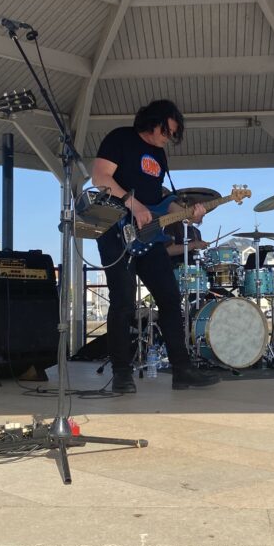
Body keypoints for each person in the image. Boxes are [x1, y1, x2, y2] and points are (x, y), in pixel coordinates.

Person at [92, 99, 220, 393]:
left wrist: (187, 213)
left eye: (173, 134)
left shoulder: (160, 155)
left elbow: (160, 200)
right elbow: (100, 177)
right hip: (116, 230)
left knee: (171, 299)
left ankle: (182, 370)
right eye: (166, 131)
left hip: (149, 237)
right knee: (123, 301)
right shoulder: (120, 138)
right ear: (152, 122)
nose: (169, 137)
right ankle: (121, 374)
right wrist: (133, 204)